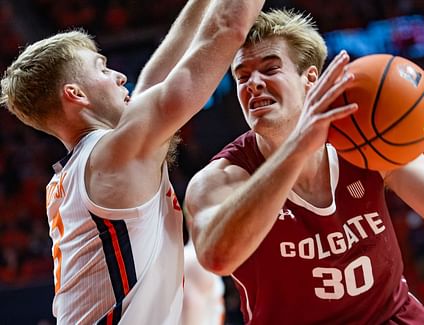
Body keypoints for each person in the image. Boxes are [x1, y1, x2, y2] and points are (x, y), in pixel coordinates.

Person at [184, 9, 424, 324]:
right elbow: (216, 258)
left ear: (311, 80)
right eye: (243, 75)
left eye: (270, 68)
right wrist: (297, 148)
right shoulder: (222, 178)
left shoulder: (365, 141)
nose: (254, 83)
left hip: (391, 317)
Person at [0, 0, 264, 323]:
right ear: (76, 94)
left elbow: (157, 75)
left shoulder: (86, 166)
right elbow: (227, 30)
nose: (121, 77)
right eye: (102, 68)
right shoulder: (114, 157)